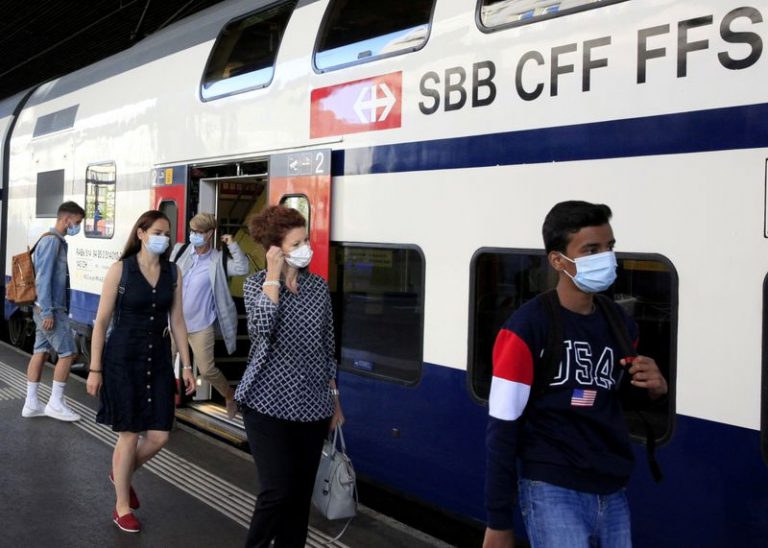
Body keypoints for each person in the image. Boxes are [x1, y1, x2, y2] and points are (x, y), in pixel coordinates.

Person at [483, 201, 668, 548]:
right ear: (558, 261)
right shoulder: (526, 328)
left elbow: (612, 396)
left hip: (611, 488)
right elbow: (502, 428)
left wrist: (655, 388)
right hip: (552, 486)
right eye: (591, 250)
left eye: (609, 247)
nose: (606, 258)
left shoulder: (620, 323)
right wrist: (498, 521)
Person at [236, 205, 344, 548]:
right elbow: (262, 330)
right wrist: (272, 275)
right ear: (276, 249)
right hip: (266, 403)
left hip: (313, 406)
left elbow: (328, 347)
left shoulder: (317, 288)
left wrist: (334, 401)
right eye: (296, 243)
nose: (305, 248)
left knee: (299, 496)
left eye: (306, 240)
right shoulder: (257, 286)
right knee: (277, 490)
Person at [86, 210, 195, 533]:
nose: (165, 237)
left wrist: (187, 365)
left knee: (160, 434)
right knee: (130, 433)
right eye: (158, 231)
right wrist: (94, 368)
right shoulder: (120, 270)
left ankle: (121, 471)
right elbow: (101, 322)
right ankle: (122, 506)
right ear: (142, 234)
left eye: (168, 232)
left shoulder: (173, 273)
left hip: (158, 358)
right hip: (122, 358)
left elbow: (177, 321)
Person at [170, 213, 249, 418]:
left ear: (210, 234)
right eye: (192, 231)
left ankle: (229, 395)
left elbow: (242, 268)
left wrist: (232, 245)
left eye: (199, 232)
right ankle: (162, 410)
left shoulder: (218, 261)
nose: (194, 235)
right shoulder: (180, 251)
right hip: (173, 322)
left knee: (206, 370)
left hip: (200, 324)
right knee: (162, 365)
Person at [21, 201, 85, 422]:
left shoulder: (50, 241)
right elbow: (43, 279)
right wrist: (47, 311)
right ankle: (55, 403)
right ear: (67, 219)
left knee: (40, 351)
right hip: (51, 309)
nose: (77, 227)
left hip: (45, 308)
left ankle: (31, 403)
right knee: (68, 354)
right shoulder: (52, 243)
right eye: (77, 222)